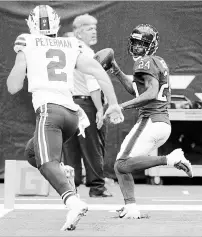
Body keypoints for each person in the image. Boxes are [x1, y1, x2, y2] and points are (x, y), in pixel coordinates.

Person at [6, 5, 123, 231]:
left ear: (31, 24)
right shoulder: (71, 43)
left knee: (45, 161)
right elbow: (98, 71)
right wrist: (114, 103)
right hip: (71, 116)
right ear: (57, 24)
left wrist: (21, 57)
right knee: (32, 152)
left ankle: (72, 201)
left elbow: (13, 87)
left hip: (50, 111)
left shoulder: (27, 41)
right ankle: (63, 173)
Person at [105, 24, 193, 219]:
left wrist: (120, 106)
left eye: (142, 43)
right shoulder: (157, 61)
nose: (137, 47)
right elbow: (137, 90)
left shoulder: (145, 62)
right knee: (123, 163)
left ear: (151, 46)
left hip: (151, 120)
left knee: (121, 163)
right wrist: (117, 70)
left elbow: (151, 93)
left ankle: (171, 159)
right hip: (159, 122)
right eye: (135, 43)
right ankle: (131, 207)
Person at [62, 14, 112, 198]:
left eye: (95, 28)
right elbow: (93, 85)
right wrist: (100, 109)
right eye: (89, 28)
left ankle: (70, 188)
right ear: (78, 32)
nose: (94, 31)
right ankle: (97, 187)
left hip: (67, 103)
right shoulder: (87, 53)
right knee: (92, 146)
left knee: (70, 147)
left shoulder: (66, 47)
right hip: (86, 103)